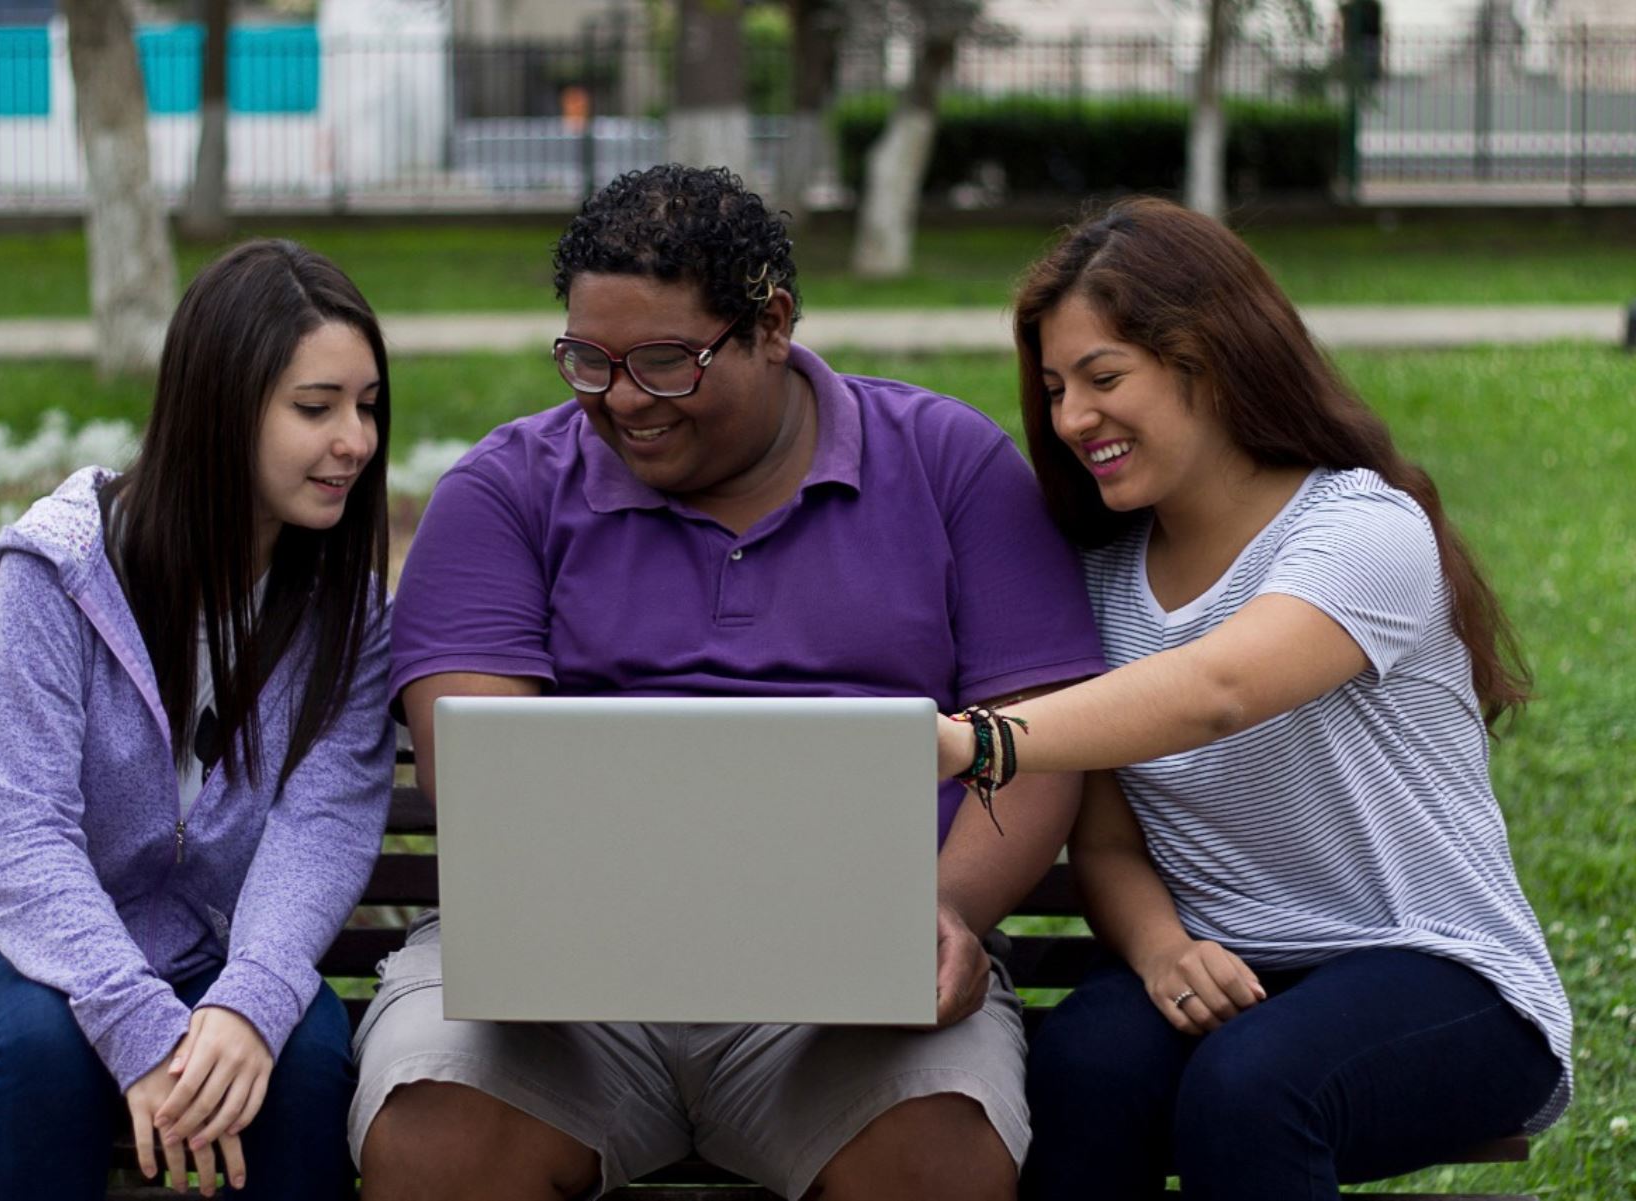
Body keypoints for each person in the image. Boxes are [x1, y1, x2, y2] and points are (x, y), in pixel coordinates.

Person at [354, 164, 1105, 1201]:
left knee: (939, 1149)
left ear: (772, 325)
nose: (621, 401)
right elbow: (481, 768)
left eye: (664, 362)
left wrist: (942, 913)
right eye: (589, 361)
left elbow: (1032, 744)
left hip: (862, 967)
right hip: (565, 985)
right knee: (434, 1127)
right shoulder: (505, 492)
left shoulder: (947, 466)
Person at [930, 197, 1571, 1200]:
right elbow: (1105, 844)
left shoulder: (1361, 531)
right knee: (1082, 1069)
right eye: (1055, 388)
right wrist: (1160, 949)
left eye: (1104, 378)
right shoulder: (1102, 581)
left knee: (1253, 1087)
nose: (1069, 419)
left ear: (1210, 358)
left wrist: (967, 743)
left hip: (1440, 972)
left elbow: (1221, 689)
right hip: (1230, 964)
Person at [0, 240, 398, 1201]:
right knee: (53, 1050)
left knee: (299, 1059)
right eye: (317, 407)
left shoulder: (347, 612)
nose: (356, 439)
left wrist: (252, 1002)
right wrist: (138, 1020)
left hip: (220, 964)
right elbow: (19, 838)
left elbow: (324, 823)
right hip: (23, 976)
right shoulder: (60, 574)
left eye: (368, 405)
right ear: (222, 407)